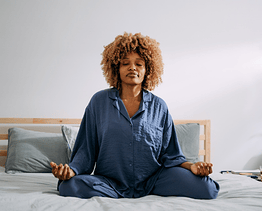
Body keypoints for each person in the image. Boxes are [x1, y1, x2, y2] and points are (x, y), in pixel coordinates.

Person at [50, 32, 220, 199]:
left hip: (154, 181)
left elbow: (172, 155)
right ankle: (114, 192)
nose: (132, 67)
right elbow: (85, 151)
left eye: (139, 64)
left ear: (148, 69)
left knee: (207, 188)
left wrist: (193, 167)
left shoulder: (160, 107)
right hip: (109, 182)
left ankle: (150, 190)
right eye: (125, 63)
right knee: (69, 186)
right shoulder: (98, 102)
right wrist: (71, 171)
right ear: (116, 67)